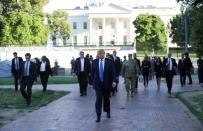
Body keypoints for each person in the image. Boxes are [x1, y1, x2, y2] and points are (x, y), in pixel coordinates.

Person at [91, 49, 116, 122]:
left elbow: (113, 72)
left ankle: (107, 111)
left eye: (99, 53)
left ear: (103, 54)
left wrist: (114, 81)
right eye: (98, 54)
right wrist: (92, 83)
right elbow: (92, 73)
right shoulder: (94, 62)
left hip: (107, 84)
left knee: (106, 99)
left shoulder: (109, 62)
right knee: (98, 99)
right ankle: (98, 115)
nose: (98, 55)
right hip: (98, 84)